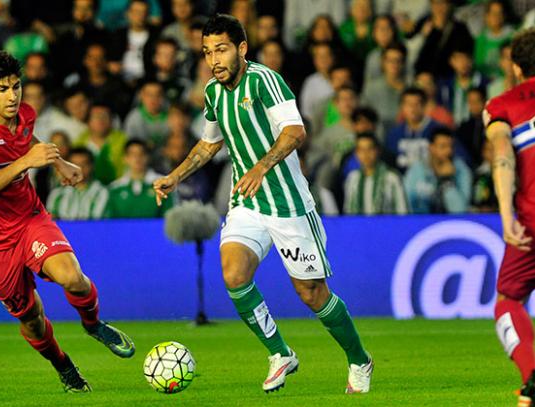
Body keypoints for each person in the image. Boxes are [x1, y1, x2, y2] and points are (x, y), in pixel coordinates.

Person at [154, 14, 372, 394]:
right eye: (207, 52)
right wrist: (176, 175)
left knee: (311, 293)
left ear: (241, 48)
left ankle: (359, 359)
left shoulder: (264, 80)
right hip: (247, 201)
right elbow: (210, 144)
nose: (214, 60)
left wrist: (259, 167)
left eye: (221, 50)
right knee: (234, 274)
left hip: (287, 201)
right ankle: (280, 352)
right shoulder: (212, 92)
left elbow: (295, 130)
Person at [0, 50, 134, 393]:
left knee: (72, 277)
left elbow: (25, 142)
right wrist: (27, 163)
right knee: (31, 319)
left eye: (16, 87)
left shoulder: (24, 115)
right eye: (3, 89)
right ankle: (64, 366)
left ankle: (93, 325)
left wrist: (57, 162)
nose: (13, 96)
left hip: (28, 217)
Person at [483, 27, 535, 406]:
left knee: (508, 299)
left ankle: (532, 380)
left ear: (516, 68)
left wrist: (506, 216)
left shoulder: (503, 105)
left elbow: (503, 154)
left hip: (531, 226)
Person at [403, 127, 472, 214]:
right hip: (421, 223)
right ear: (431, 147)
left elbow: (460, 211)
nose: (449, 151)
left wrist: (446, 181)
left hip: (452, 224)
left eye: (451, 146)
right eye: (443, 146)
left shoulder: (461, 169)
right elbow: (407, 205)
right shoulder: (417, 170)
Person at [343, 132, 407, 215]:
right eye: (361, 150)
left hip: (386, 226)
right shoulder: (353, 178)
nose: (365, 154)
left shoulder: (391, 177)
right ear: (356, 153)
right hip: (358, 226)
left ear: (377, 151)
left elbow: (402, 211)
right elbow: (347, 210)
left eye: (369, 149)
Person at [46, 148, 109, 220]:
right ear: (66, 166)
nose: (79, 168)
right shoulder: (57, 193)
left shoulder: (101, 192)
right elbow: (50, 221)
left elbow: (100, 223)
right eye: (74, 164)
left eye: (83, 164)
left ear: (92, 166)